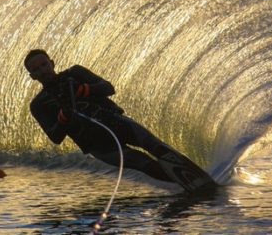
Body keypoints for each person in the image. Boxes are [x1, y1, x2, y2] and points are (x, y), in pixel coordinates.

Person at [24, 48, 181, 183]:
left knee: (154, 145)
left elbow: (108, 88)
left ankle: (190, 173)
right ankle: (185, 183)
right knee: (142, 163)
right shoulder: (39, 104)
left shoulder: (75, 73)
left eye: (44, 64)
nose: (43, 70)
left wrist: (84, 90)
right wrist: (63, 117)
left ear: (52, 63)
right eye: (36, 69)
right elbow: (55, 138)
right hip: (99, 146)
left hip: (116, 122)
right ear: (32, 76)